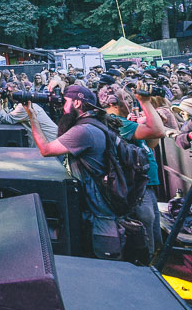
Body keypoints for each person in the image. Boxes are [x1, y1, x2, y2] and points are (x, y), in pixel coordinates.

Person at [25, 85, 123, 259]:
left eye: (65, 102)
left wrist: (32, 116)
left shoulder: (83, 131)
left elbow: (46, 150)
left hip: (100, 215)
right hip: (101, 209)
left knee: (104, 268)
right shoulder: (93, 123)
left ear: (77, 103)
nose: (62, 107)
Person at [96, 85, 165, 257]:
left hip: (145, 183)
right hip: (138, 186)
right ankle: (149, 268)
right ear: (113, 103)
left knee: (152, 228)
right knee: (147, 226)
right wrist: (145, 102)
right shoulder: (114, 120)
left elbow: (151, 143)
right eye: (126, 99)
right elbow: (158, 131)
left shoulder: (124, 122)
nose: (130, 102)